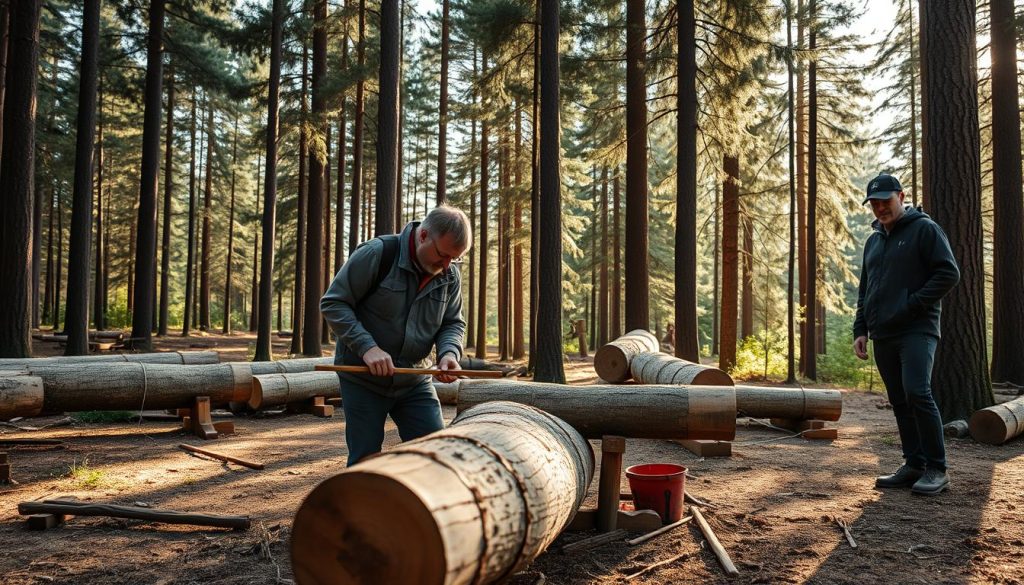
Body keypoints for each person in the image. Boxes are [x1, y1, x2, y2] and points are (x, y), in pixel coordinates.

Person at [321, 205, 471, 465]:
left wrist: (449, 353)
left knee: (436, 457)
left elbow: (452, 323)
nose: (447, 266)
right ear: (423, 236)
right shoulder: (378, 254)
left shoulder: (450, 275)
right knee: (365, 462)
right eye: (443, 255)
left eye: (454, 259)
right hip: (363, 380)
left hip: (415, 381)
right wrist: (367, 348)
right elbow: (334, 303)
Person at [853, 173, 960, 496]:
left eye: (886, 200)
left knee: (917, 391)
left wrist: (912, 305)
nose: (880, 208)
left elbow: (948, 273)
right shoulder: (874, 241)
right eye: (874, 203)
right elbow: (865, 290)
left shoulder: (924, 230)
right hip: (883, 333)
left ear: (901, 196)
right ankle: (913, 463)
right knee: (899, 399)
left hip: (917, 329)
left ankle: (936, 468)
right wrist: (861, 329)